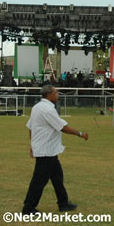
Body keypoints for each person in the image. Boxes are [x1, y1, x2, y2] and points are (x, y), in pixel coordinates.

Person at [22, 85, 88, 215]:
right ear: (49, 95)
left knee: (57, 177)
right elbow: (63, 127)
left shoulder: (37, 107)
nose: (58, 94)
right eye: (56, 92)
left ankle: (63, 203)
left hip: (49, 150)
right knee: (39, 181)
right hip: (46, 151)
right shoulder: (47, 110)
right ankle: (28, 208)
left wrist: (33, 145)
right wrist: (80, 133)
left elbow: (31, 127)